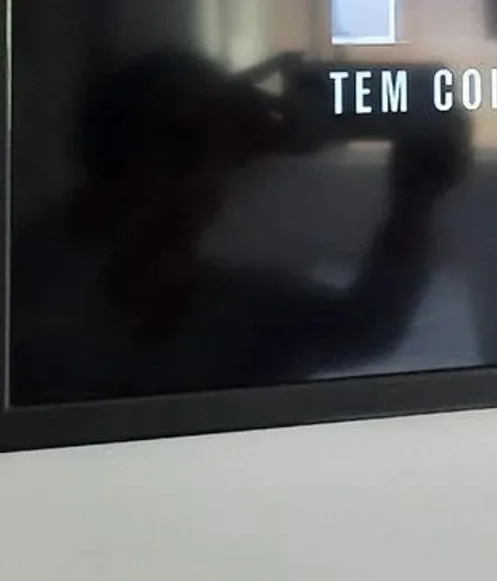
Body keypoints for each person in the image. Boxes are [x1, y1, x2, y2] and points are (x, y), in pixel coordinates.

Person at [10, 48, 470, 404]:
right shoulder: (33, 277)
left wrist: (414, 203)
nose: (200, 162)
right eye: (177, 139)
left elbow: (365, 328)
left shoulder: (240, 311)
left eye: (204, 142)